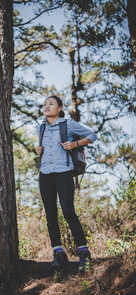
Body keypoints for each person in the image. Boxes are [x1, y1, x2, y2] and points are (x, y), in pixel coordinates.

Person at [36, 95, 97, 273]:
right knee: (50, 215)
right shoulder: (41, 127)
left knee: (68, 212)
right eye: (45, 104)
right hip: (45, 174)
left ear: (60, 108)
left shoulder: (68, 124)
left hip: (63, 173)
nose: (46, 106)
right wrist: (38, 149)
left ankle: (84, 253)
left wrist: (75, 143)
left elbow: (91, 135)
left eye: (51, 104)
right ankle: (59, 254)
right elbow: (43, 149)